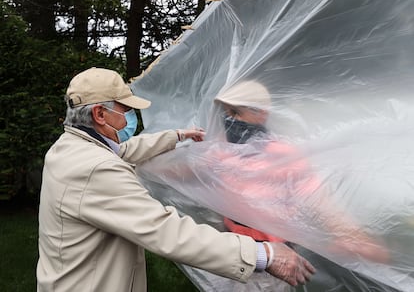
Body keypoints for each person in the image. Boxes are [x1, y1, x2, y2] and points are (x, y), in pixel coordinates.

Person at [36, 67, 316, 292]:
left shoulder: (70, 148)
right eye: (125, 111)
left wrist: (177, 136)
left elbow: (126, 150)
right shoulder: (97, 168)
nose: (129, 120)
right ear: (100, 114)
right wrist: (264, 254)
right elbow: (166, 231)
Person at [212, 80, 390, 263]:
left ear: (261, 114)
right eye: (224, 112)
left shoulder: (281, 154)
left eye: (235, 112)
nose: (229, 119)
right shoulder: (221, 148)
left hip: (275, 254)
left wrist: (352, 235)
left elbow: (315, 196)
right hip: (231, 244)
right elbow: (195, 173)